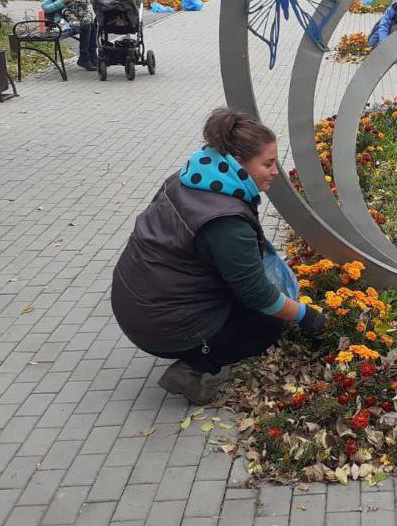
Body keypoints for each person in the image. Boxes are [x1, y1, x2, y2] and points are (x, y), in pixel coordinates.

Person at [111, 108, 328, 405]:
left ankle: (197, 344)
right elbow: (258, 296)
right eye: (267, 164)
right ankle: (193, 368)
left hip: (136, 301)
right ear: (238, 162)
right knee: (267, 322)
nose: (275, 172)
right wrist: (306, 315)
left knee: (253, 298)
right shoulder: (225, 222)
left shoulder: (192, 177)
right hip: (159, 324)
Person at [41, 0, 97, 70]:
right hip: (58, 17)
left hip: (76, 12)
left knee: (92, 24)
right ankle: (84, 58)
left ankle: (93, 56)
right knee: (85, 26)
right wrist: (63, 1)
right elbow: (46, 7)